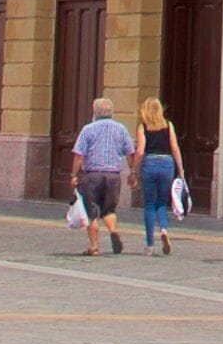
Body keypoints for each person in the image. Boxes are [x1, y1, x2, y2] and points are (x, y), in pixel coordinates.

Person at [71, 96, 133, 256]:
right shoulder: (121, 129)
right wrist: (132, 172)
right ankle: (113, 231)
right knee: (109, 209)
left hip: (92, 176)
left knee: (91, 211)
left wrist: (73, 174)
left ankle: (94, 246)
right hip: (113, 176)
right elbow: (130, 152)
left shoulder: (88, 129)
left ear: (95, 112)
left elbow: (79, 154)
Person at [134, 96, 184, 257]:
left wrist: (133, 170)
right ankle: (164, 229)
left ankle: (149, 245)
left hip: (150, 163)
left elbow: (140, 151)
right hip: (167, 163)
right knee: (162, 203)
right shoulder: (168, 125)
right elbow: (175, 148)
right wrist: (181, 170)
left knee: (149, 204)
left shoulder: (143, 127)